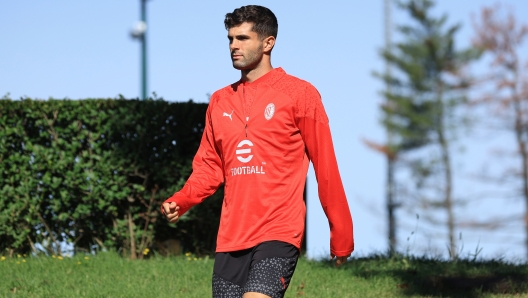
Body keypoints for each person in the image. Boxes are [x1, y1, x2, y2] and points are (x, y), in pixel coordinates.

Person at [162, 5, 354, 298]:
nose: (233, 46)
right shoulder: (220, 101)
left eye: (242, 38)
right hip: (230, 238)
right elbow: (210, 167)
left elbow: (325, 168)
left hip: (278, 231)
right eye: (230, 39)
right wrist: (182, 199)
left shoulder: (300, 94)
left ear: (268, 43)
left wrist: (341, 234)